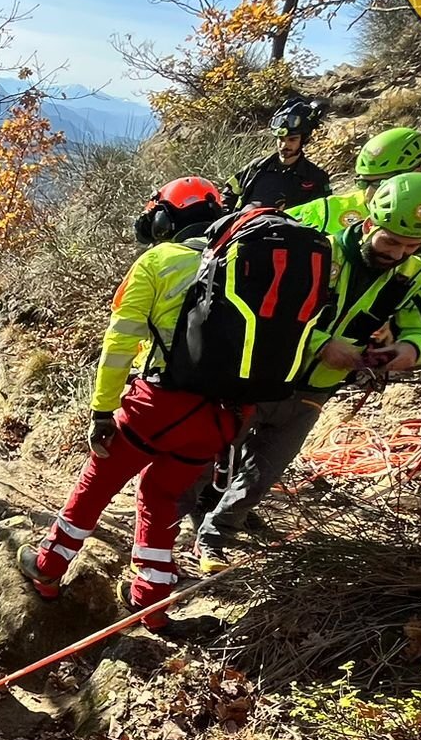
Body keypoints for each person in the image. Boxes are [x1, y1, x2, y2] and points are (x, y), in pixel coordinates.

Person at [191, 172, 421, 569]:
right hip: (266, 377)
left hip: (316, 391)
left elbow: (419, 327)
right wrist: (321, 344)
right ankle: (183, 519)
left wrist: (408, 349)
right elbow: (273, 313)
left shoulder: (411, 275)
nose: (398, 254)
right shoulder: (318, 254)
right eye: (390, 241)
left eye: (410, 246)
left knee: (265, 470)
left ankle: (216, 533)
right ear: (368, 224)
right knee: (214, 449)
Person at [15, 193, 253, 630]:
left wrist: (102, 411)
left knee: (99, 479)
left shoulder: (159, 261)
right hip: (224, 417)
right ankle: (151, 602)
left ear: (166, 221)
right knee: (161, 498)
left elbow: (120, 343)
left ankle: (48, 567)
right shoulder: (246, 259)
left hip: (159, 405)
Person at [335, 126, 421, 317]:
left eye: (378, 184)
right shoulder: (333, 209)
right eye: (363, 183)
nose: (367, 193)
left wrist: (406, 322)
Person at [229, 96, 330, 210]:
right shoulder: (256, 167)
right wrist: (226, 220)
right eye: (281, 139)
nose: (284, 145)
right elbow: (229, 193)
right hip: (244, 225)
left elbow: (322, 212)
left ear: (304, 140)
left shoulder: (315, 177)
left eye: (292, 139)